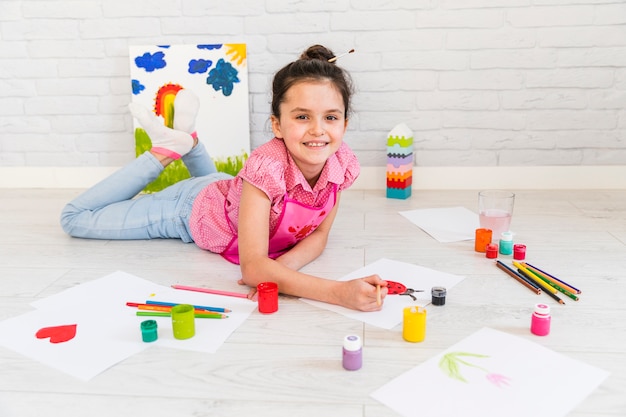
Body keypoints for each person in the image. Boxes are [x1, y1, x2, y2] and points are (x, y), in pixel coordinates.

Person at [60, 44, 388, 311]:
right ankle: (163, 150)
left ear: (344, 124)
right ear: (276, 125)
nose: (318, 130)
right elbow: (253, 268)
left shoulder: (341, 164)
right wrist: (337, 292)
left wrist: (280, 275)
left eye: (330, 117)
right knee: (75, 218)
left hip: (231, 191)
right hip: (190, 208)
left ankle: (188, 141)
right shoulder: (266, 168)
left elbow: (317, 237)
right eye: (302, 117)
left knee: (225, 183)